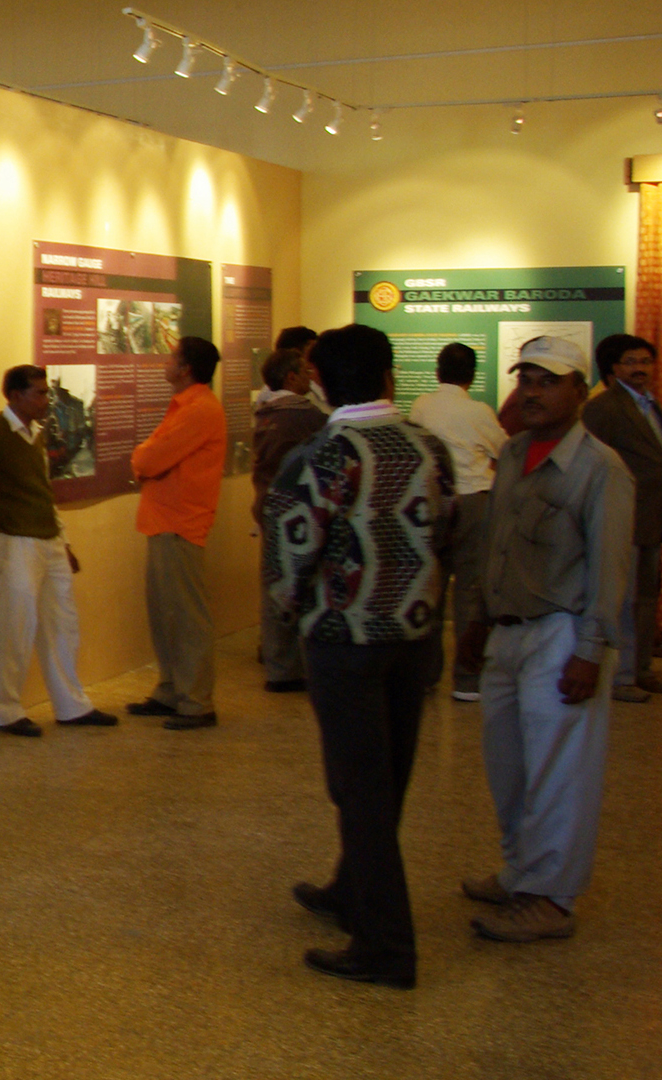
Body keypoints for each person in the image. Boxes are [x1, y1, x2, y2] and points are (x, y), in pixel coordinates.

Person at [267, 324, 454, 990]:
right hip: (415, 634)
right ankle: (352, 890)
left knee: (357, 787)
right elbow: (448, 530)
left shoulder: (325, 453)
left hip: (345, 639)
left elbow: (293, 548)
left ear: (319, 380)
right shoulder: (427, 446)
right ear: (388, 377)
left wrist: (291, 610)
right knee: (387, 778)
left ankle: (384, 944)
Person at [457, 336, 632, 943]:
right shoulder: (512, 455)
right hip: (507, 631)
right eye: (525, 378)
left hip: (562, 632)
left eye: (547, 380)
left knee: (559, 770)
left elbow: (610, 568)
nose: (531, 391)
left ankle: (551, 899)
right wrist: (476, 619)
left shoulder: (600, 468)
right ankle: (518, 870)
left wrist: (591, 651)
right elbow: (492, 546)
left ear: (580, 392)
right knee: (508, 766)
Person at [0, 365, 118, 737]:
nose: (45, 400)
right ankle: (6, 711)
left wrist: (64, 540)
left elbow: (43, 489)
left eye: (45, 392)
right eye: (38, 393)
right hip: (15, 541)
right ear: (15, 396)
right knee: (12, 627)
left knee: (61, 623)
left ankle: (71, 704)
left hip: (47, 538)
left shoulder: (35, 434)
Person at [125, 336, 226, 729]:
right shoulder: (186, 406)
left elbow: (150, 457)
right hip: (163, 521)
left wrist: (141, 458)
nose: (165, 363)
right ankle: (171, 689)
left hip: (181, 524)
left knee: (185, 616)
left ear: (185, 368)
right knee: (164, 613)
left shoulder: (200, 409)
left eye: (171, 357)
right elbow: (151, 454)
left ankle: (196, 700)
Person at [407, 342, 509, 701]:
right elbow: (504, 450)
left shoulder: (421, 404)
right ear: (472, 375)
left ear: (437, 372)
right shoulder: (478, 411)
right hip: (473, 501)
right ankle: (467, 679)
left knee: (429, 587)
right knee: (469, 592)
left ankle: (424, 674)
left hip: (432, 502)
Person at [578, 333, 662, 701]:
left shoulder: (651, 404)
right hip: (622, 516)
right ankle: (621, 676)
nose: (640, 369)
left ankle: (641, 669)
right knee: (624, 601)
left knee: (646, 599)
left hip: (652, 517)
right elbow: (590, 461)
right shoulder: (604, 407)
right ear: (614, 368)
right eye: (631, 362)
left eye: (645, 361)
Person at [250, 347, 327, 692]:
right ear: (290, 377)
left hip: (268, 506)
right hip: (299, 510)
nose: (311, 378)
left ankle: (278, 663)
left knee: (273, 583)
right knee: (303, 583)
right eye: (304, 372)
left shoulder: (266, 413)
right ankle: (293, 664)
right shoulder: (305, 416)